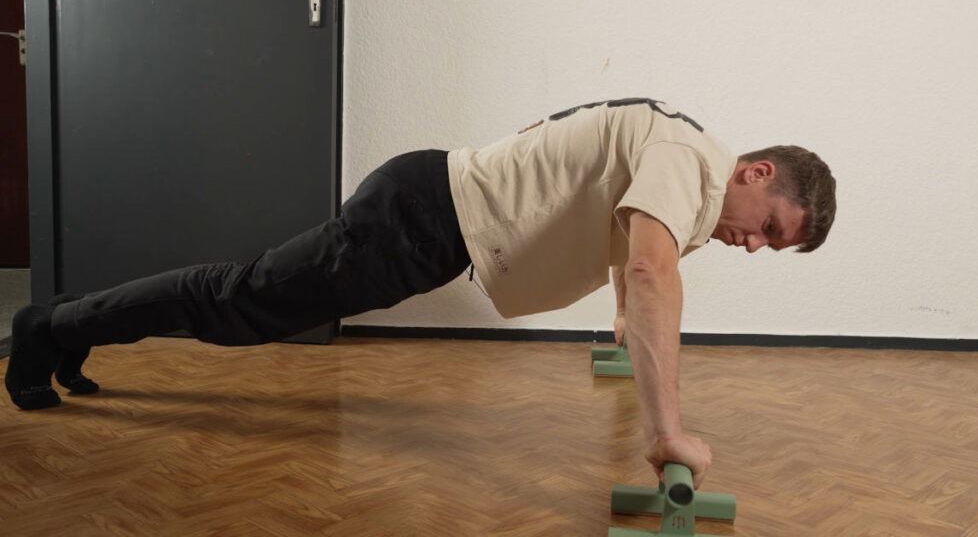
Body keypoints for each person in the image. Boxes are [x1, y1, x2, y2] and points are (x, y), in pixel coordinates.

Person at [4, 97, 836, 489]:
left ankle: (69, 329)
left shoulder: (683, 178)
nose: (755, 244)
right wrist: (669, 435)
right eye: (770, 226)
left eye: (774, 245)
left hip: (426, 213)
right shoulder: (691, 161)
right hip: (419, 218)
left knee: (241, 300)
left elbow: (632, 247)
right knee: (240, 304)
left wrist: (618, 314)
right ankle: (50, 326)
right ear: (758, 173)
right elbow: (655, 270)